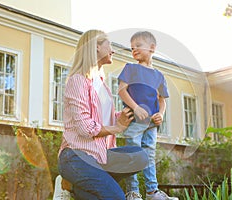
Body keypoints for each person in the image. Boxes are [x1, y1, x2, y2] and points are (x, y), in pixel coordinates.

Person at [56, 29, 148, 200]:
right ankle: (75, 181)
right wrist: (116, 128)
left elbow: (106, 118)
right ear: (96, 47)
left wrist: (132, 112)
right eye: (109, 44)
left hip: (101, 156)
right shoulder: (78, 80)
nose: (112, 50)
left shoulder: (101, 84)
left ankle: (72, 185)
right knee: (116, 197)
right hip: (77, 156)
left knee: (140, 156)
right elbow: (85, 128)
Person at [118, 31, 178, 200]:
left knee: (149, 155)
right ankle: (133, 192)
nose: (134, 49)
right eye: (131, 48)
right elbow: (122, 91)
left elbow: (162, 100)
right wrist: (136, 108)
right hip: (134, 122)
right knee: (133, 154)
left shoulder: (159, 75)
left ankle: (152, 192)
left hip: (151, 125)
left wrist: (161, 113)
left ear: (152, 48)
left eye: (138, 45)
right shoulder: (130, 68)